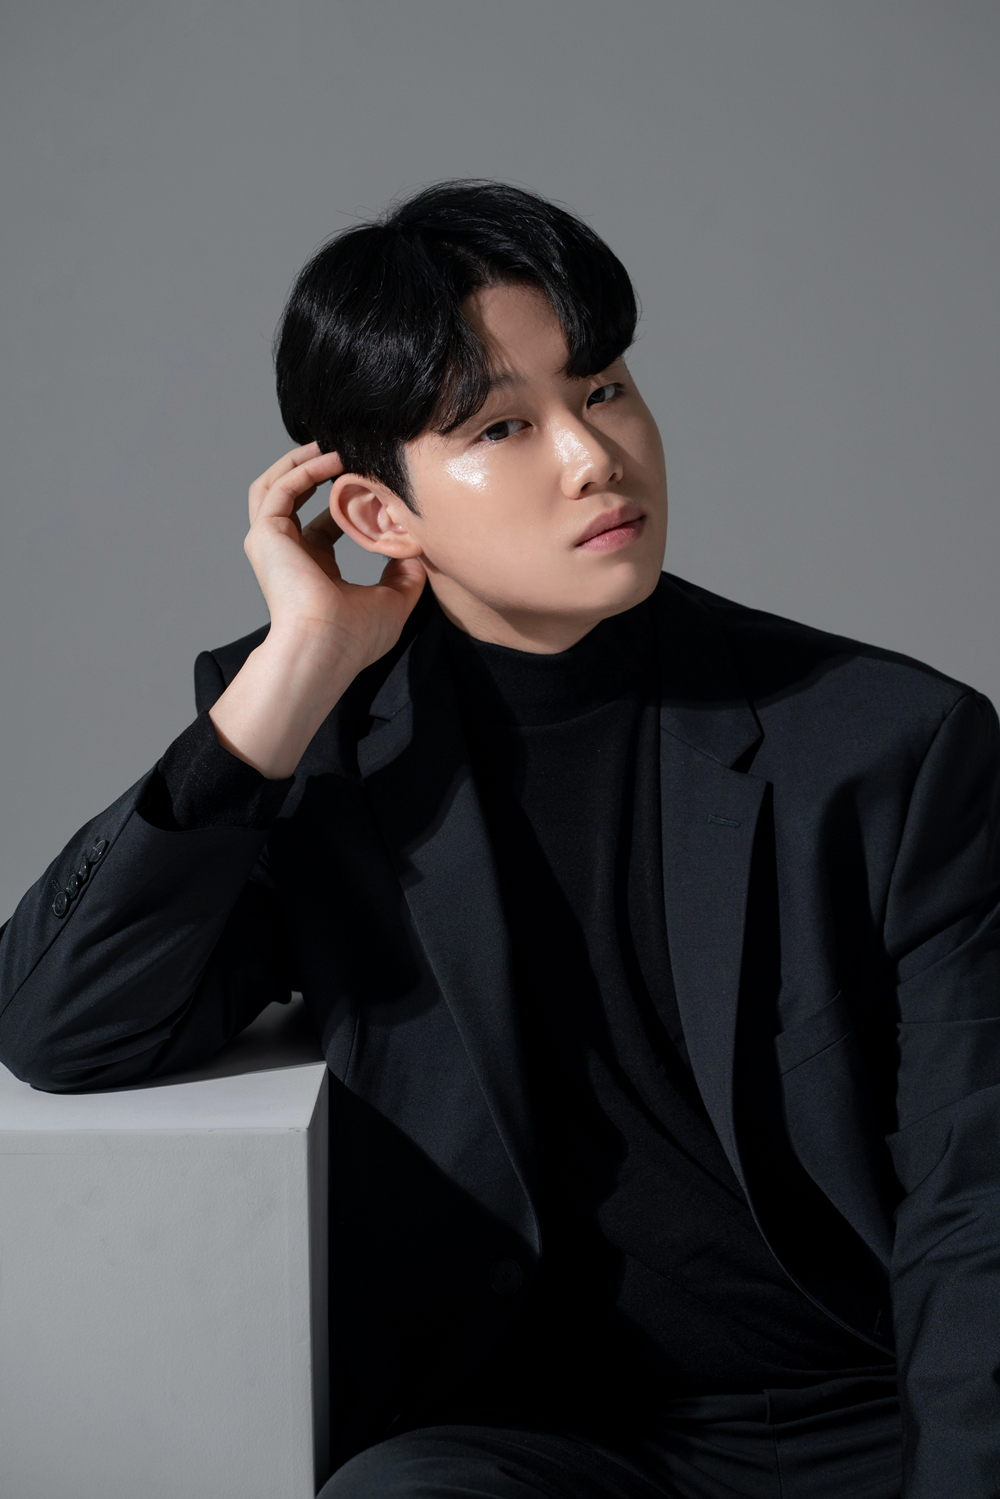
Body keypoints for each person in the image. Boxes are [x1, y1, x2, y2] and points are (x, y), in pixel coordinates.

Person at [0, 181, 997, 1499]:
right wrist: (299, 664)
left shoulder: (889, 744)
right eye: (503, 427)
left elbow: (976, 1189)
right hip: (516, 1436)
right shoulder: (325, 744)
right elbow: (62, 1027)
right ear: (379, 515)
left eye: (604, 389)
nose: (593, 457)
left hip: (853, 1416)